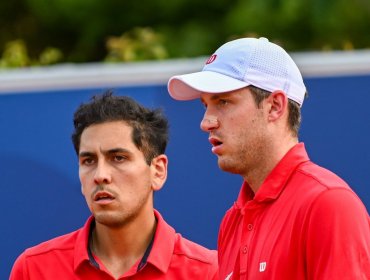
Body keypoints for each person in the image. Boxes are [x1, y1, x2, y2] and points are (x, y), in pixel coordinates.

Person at [167, 37, 370, 279]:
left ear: (275, 106)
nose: (206, 122)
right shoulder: (232, 221)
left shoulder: (329, 204)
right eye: (205, 105)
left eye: (223, 101)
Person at [10, 91, 218, 280]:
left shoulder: (209, 272)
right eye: (89, 161)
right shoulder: (33, 269)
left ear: (158, 171)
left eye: (118, 158)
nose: (100, 175)